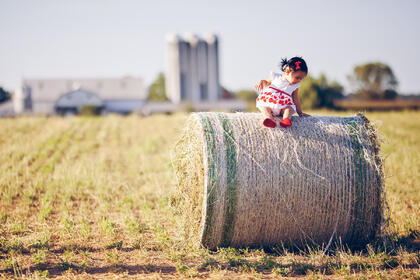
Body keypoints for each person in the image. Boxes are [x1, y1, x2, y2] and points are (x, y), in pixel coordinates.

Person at [255, 57, 310, 128]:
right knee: (264, 107)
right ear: (287, 71)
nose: (299, 80)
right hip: (270, 102)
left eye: (301, 79)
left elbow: (296, 99)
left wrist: (300, 113)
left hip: (283, 106)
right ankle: (269, 118)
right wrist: (262, 81)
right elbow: (266, 82)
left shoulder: (295, 86)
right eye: (297, 77)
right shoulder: (276, 77)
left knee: (289, 109)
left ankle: (286, 119)